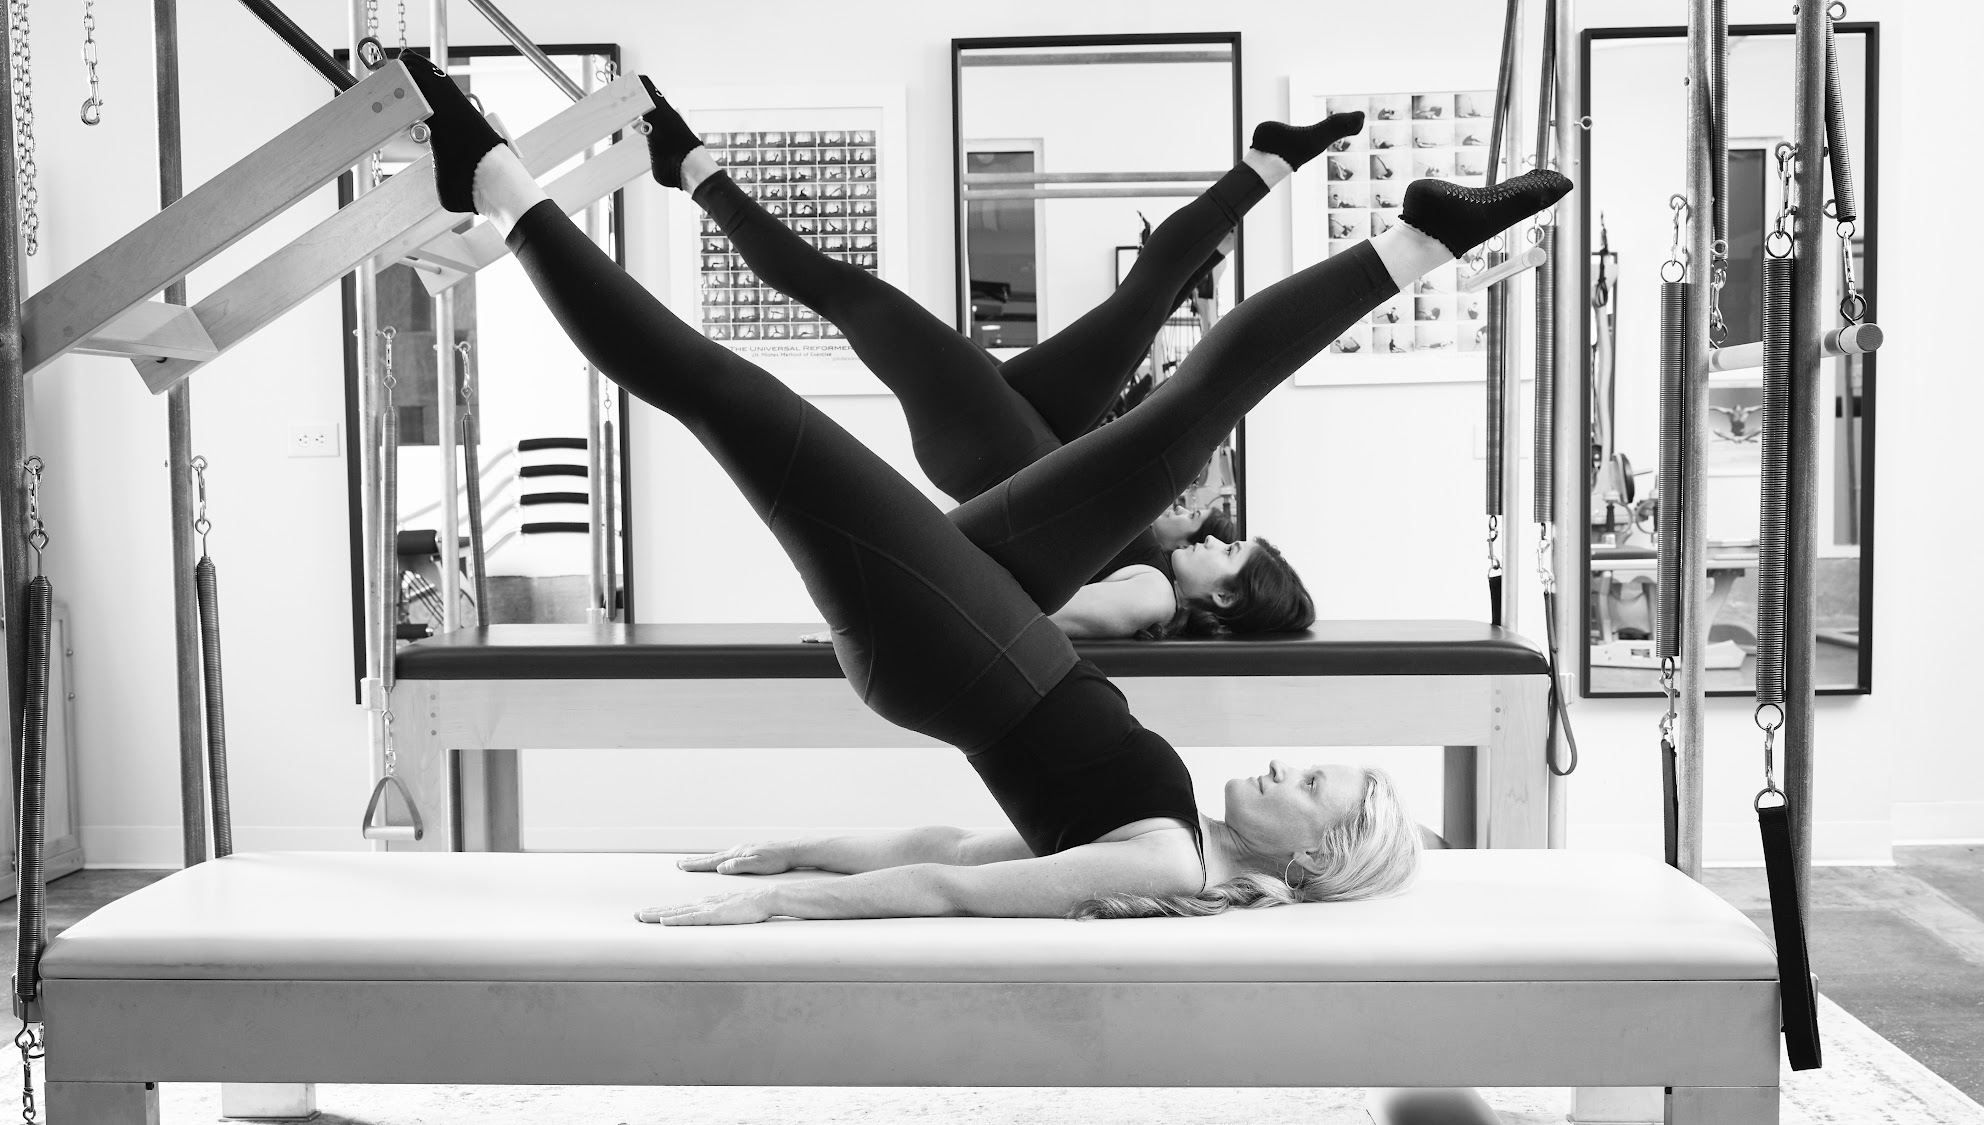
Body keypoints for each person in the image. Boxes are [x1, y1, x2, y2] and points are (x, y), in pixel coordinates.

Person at [397, 53, 1571, 925]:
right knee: (1173, 411)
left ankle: (495, 180)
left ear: (1306, 862)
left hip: (952, 649)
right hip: (993, 629)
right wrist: (805, 849)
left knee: (725, 393)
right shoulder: (1185, 836)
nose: (1285, 763)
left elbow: (950, 893)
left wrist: (778, 905)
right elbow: (953, 844)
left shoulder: (1166, 862)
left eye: (1309, 784)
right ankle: (1413, 244)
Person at [642, 80, 1353, 638]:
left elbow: (1021, 609)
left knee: (849, 294)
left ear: (1224, 598)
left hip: (986, 450)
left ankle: (696, 173)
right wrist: (1173, 526)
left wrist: (876, 613)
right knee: (1146, 297)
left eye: (1230, 554)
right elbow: (1105, 525)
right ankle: (1266, 162)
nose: (1219, 541)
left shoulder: (1154, 597)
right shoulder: (1158, 561)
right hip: (1036, 439)